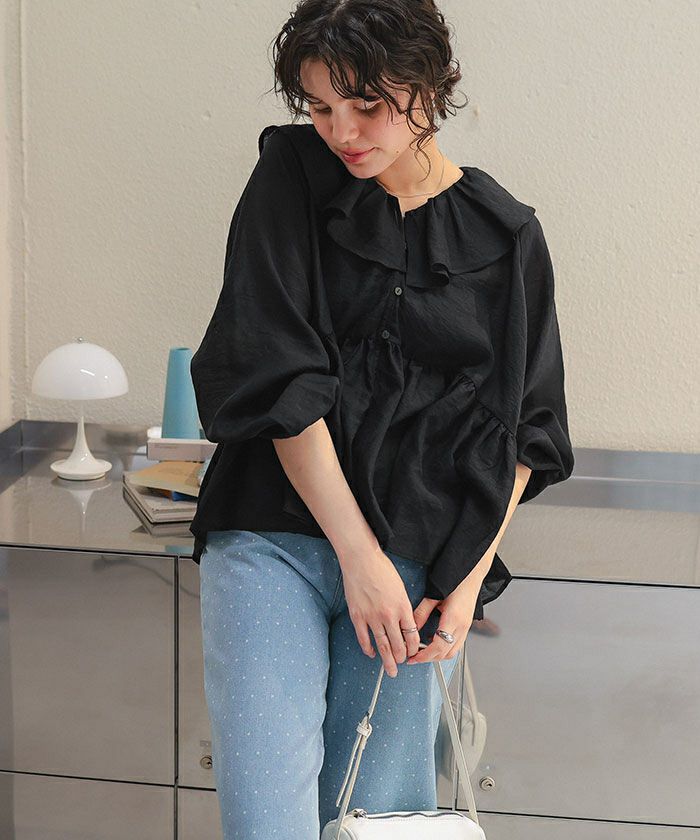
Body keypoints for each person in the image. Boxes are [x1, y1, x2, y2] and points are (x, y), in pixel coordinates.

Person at [189, 0, 575, 836]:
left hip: (418, 571)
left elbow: (529, 430)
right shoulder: (291, 176)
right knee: (267, 822)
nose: (342, 131)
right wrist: (357, 556)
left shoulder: (507, 237)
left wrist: (464, 588)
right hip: (273, 541)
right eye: (321, 106)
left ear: (429, 85)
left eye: (367, 104)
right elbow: (278, 374)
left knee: (376, 823)